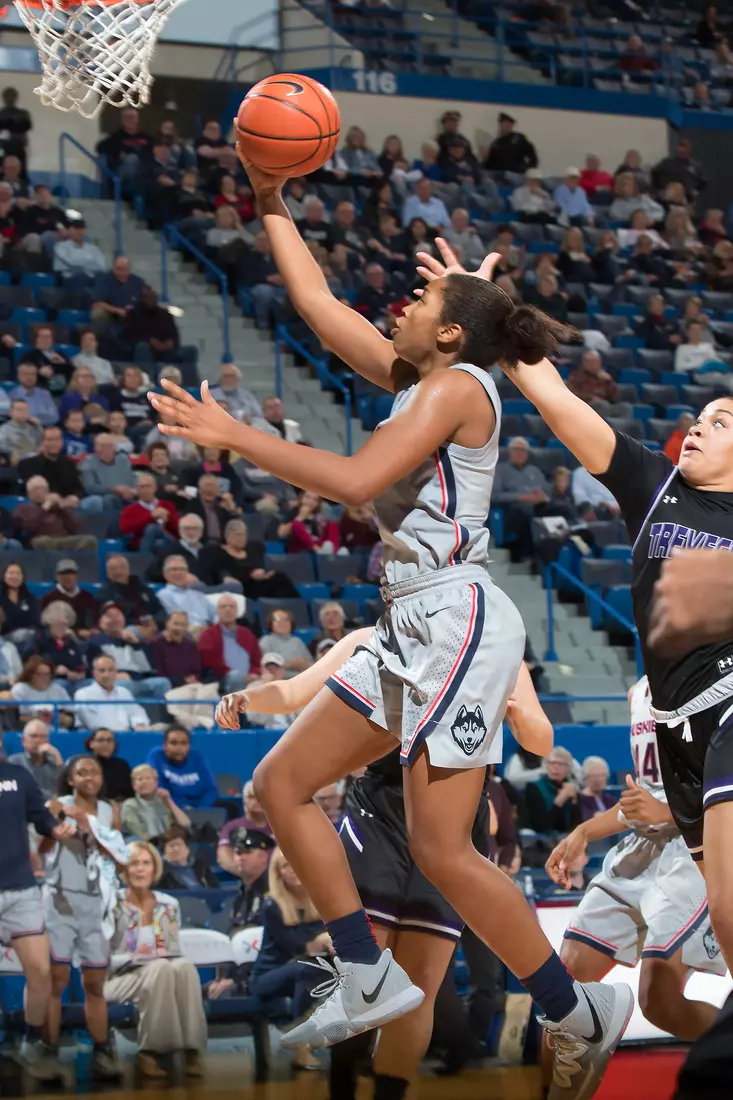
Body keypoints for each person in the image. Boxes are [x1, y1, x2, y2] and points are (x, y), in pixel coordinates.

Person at [148, 154, 634, 1091]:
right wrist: (269, 205)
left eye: (418, 305)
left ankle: (577, 1009)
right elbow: (322, 311)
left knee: (446, 851)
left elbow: (357, 481)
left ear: (449, 332)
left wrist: (234, 436)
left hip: (454, 620)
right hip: (408, 623)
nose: (396, 308)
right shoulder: (425, 376)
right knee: (282, 783)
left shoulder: (459, 391)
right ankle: (364, 970)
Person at [421, 243, 733, 979]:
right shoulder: (657, 487)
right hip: (675, 721)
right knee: (721, 901)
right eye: (695, 416)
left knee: (727, 904)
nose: (695, 425)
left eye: (718, 422)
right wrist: (482, 306)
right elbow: (553, 397)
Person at [216, 630, 553, 1100]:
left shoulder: (494, 646)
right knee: (365, 972)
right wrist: (248, 697)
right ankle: (341, 1089)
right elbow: (296, 690)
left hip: (456, 816)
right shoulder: (371, 637)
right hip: (382, 809)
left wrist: (516, 715)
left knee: (421, 984)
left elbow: (541, 738)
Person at [547, 677, 724, 1045]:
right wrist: (585, 832)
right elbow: (643, 800)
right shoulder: (640, 690)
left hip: (694, 846)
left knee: (659, 1001)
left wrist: (663, 811)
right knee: (567, 983)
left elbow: (720, 795)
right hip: (642, 846)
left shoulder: (716, 677)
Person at [43, 755, 125, 1081]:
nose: (89, 776)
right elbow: (42, 846)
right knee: (56, 982)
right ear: (71, 779)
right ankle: (47, 1050)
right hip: (60, 898)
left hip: (96, 901)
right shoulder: (55, 804)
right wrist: (60, 830)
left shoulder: (109, 811)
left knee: (95, 984)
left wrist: (91, 829)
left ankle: (101, 1052)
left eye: (94, 771)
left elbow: (119, 859)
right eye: (82, 771)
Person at [104, 840, 207, 1079]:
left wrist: (157, 956)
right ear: (124, 869)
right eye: (134, 863)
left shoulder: (168, 904)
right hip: (117, 977)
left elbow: (171, 950)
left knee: (183, 967)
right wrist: (133, 957)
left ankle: (192, 1050)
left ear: (155, 868)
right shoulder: (113, 904)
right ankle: (150, 1052)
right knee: (160, 967)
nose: (140, 869)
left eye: (145, 863)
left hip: (158, 971)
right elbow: (101, 957)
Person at [0, 755, 74, 1080]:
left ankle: (31, 1044)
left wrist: (56, 829)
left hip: (20, 890)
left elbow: (40, 816)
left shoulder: (18, 775)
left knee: (42, 972)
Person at [200, 518, 298, 599]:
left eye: (244, 534)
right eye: (238, 535)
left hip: (259, 585)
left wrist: (264, 574)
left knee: (279, 578)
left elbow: (261, 566)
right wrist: (250, 575)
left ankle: (297, 606)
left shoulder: (253, 549)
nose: (242, 538)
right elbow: (227, 576)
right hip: (242, 589)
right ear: (227, 536)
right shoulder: (218, 553)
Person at [198, 593, 261, 693]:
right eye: (223, 607)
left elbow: (257, 659)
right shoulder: (208, 634)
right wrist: (243, 677)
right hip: (221, 679)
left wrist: (254, 673)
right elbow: (211, 662)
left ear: (237, 611)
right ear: (217, 611)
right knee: (237, 676)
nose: (228, 609)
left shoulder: (247, 633)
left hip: (250, 678)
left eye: (232, 607)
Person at [146, 725, 220, 811]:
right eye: (173, 743)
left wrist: (201, 811)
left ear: (189, 746)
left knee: (229, 806)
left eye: (184, 743)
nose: (179, 748)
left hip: (199, 809)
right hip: (170, 808)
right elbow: (157, 789)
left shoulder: (196, 756)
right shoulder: (156, 756)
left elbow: (210, 790)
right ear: (165, 746)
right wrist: (181, 808)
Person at [74, 654, 150, 732]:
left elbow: (137, 712)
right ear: (94, 673)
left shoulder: (124, 692)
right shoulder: (83, 694)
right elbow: (94, 724)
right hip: (98, 739)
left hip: (127, 736)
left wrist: (139, 724)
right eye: (102, 671)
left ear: (116, 672)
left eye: (111, 670)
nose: (107, 675)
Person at [121, 763, 190, 840]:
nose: (144, 782)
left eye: (148, 778)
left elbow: (186, 824)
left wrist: (169, 802)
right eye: (140, 779)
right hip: (146, 846)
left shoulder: (164, 801)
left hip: (168, 844)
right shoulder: (130, 805)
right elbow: (140, 835)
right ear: (133, 785)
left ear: (156, 782)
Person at [217, 781, 273, 874]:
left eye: (260, 797)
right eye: (251, 797)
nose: (256, 801)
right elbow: (223, 855)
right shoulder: (232, 827)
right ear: (244, 801)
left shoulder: (279, 827)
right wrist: (244, 872)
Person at [525, 747, 582, 834]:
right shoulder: (534, 788)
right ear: (546, 766)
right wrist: (559, 801)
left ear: (568, 769)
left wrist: (574, 802)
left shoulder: (571, 787)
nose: (556, 767)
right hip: (544, 842)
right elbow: (542, 827)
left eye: (561, 764)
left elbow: (578, 825)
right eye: (552, 763)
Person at [119, 471, 179, 553]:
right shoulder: (130, 510)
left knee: (155, 532)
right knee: (157, 539)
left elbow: (179, 529)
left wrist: (168, 517)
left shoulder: (167, 505)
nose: (145, 490)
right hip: (142, 543)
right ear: (137, 489)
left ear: (155, 488)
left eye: (148, 486)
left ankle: (144, 562)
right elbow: (125, 530)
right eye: (142, 487)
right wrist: (150, 517)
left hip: (169, 541)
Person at [11, 656, 74, 728]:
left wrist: (61, 719)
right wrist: (39, 718)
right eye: (40, 675)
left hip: (59, 732)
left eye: (47, 674)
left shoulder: (59, 690)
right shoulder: (20, 689)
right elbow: (16, 719)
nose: (45, 678)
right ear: (31, 675)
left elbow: (71, 719)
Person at [7, 718, 63, 798]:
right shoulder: (14, 762)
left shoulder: (54, 761)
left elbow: (65, 789)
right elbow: (24, 790)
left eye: (43, 736)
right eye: (34, 736)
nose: (38, 740)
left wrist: (57, 757)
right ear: (23, 741)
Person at [158, 824, 220, 889]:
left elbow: (216, 888)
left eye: (179, 844)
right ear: (164, 851)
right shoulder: (160, 871)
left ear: (187, 848)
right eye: (171, 846)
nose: (176, 849)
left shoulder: (200, 864)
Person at [258, 607, 313, 676]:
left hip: (302, 679)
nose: (282, 623)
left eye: (286, 620)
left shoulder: (297, 641)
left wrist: (305, 665)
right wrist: (290, 664)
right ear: (271, 623)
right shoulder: (266, 641)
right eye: (278, 619)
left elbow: (311, 664)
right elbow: (266, 664)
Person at [85, 728, 133, 803]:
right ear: (91, 744)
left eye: (109, 740)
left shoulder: (122, 765)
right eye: (101, 740)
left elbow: (130, 794)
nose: (105, 744)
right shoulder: (84, 764)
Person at [578, 756, 615, 821]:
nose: (598, 779)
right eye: (594, 776)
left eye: (602, 775)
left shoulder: (609, 800)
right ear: (585, 778)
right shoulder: (578, 800)